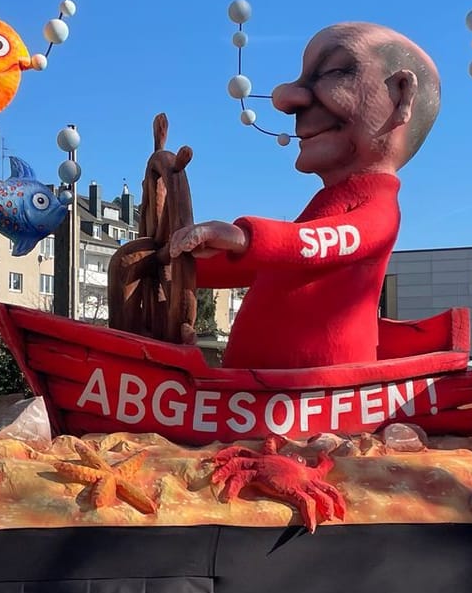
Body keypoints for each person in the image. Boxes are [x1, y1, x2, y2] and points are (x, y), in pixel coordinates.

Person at [168, 23, 440, 370]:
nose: (286, 98)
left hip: (309, 391)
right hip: (259, 389)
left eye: (335, 72)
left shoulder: (379, 211)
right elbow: (271, 264)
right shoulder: (326, 204)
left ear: (401, 96)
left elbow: (314, 243)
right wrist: (182, 265)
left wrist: (245, 237)